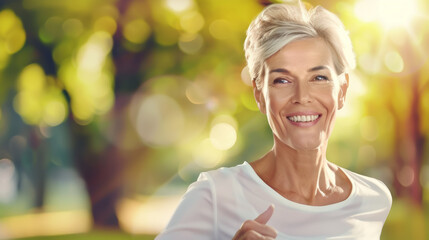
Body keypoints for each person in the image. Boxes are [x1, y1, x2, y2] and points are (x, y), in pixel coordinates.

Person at [156, 1, 392, 239]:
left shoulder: (373, 200)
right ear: (259, 95)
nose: (302, 97)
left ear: (342, 91)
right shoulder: (215, 195)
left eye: (319, 77)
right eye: (282, 80)